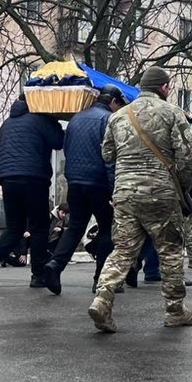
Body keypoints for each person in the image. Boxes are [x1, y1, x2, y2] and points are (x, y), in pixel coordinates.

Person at [88, 66, 192, 332]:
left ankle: (102, 300)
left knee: (123, 250)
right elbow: (187, 158)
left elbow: (107, 154)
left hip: (125, 193)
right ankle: (175, 310)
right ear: (164, 88)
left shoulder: (118, 116)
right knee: (170, 251)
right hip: (161, 192)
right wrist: (181, 189)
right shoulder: (173, 113)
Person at [42, 85, 127, 294]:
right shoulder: (108, 120)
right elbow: (109, 158)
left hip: (76, 182)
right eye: (119, 105)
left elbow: (67, 150)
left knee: (75, 227)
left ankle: (55, 265)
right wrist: (114, 189)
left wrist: (72, 176)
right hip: (98, 182)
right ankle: (101, 279)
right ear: (113, 102)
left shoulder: (76, 119)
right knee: (108, 228)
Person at [0, 94, 65, 289]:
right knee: (39, 227)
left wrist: (6, 175)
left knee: (14, 228)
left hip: (8, 179)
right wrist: (53, 119)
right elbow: (59, 141)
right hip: (34, 179)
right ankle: (38, 275)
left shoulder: (6, 124)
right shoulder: (40, 120)